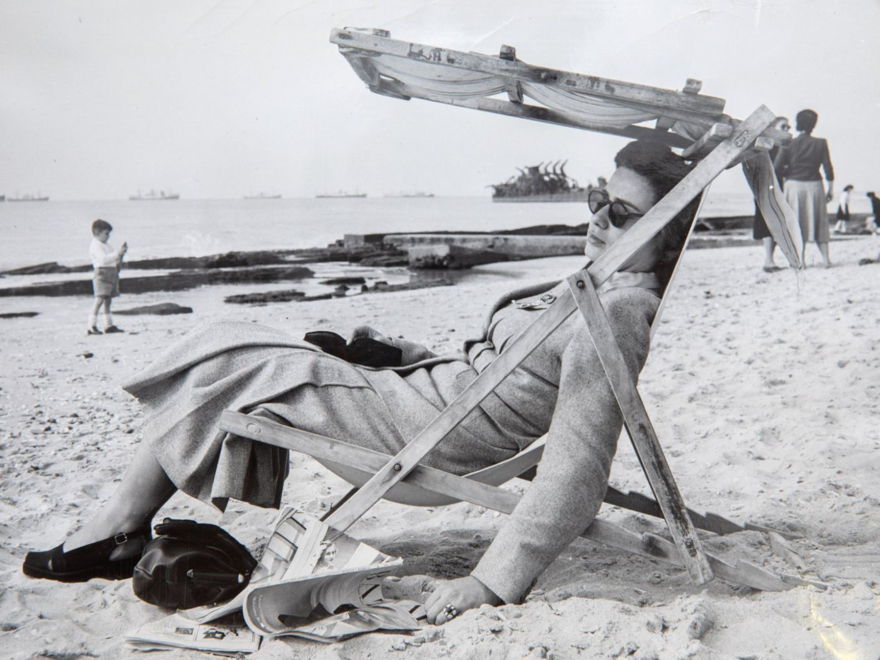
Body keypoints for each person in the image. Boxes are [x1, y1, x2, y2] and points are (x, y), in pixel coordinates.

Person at [23, 140, 697, 624]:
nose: (597, 220)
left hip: (427, 437)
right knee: (232, 341)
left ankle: (115, 529)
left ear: (664, 239)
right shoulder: (600, 282)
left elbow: (576, 469)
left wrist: (491, 583)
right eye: (596, 199)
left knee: (229, 352)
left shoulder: (614, 314)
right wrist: (394, 351)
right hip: (424, 401)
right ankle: (119, 526)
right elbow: (496, 368)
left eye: (623, 215)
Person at [773, 109, 835, 267]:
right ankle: (826, 260)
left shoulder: (789, 143)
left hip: (794, 186)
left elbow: (777, 168)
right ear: (813, 125)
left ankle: (800, 260)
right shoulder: (821, 142)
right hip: (815, 185)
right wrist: (831, 189)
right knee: (820, 222)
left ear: (797, 123)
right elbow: (828, 169)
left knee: (797, 223)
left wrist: (790, 171)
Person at [752, 116, 791, 272]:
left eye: (788, 127)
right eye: (784, 127)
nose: (787, 130)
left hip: (776, 187)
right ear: (773, 128)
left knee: (775, 223)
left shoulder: (781, 147)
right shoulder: (765, 146)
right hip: (766, 187)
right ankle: (768, 261)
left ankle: (770, 260)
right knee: (767, 223)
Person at [87, 219, 127, 335]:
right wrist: (117, 254)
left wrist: (120, 255)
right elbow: (103, 259)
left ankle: (108, 325)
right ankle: (91, 325)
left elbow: (113, 259)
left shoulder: (106, 245)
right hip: (102, 273)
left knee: (108, 300)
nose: (108, 236)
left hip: (111, 272)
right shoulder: (95, 245)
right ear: (97, 233)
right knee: (99, 299)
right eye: (106, 233)